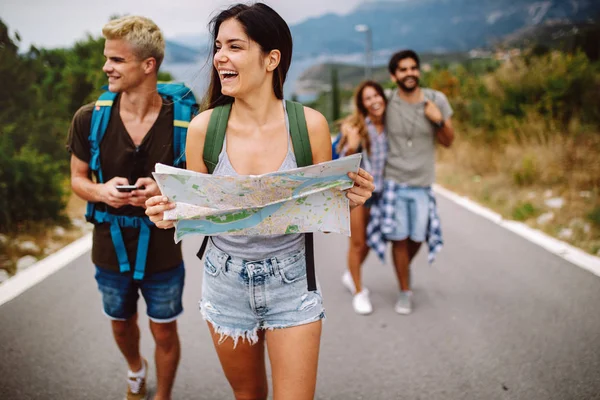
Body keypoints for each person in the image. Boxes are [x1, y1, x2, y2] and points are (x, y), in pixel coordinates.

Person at [145, 3, 374, 399]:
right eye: (218, 47)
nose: (220, 57)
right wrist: (168, 213)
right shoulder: (203, 129)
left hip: (292, 282)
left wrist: (352, 199)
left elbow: (323, 211)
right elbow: (195, 211)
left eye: (235, 46)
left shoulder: (310, 125)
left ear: (272, 59)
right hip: (224, 282)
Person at [67, 16, 193, 400]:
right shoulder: (89, 119)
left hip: (162, 247)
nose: (107, 67)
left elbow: (200, 186)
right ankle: (136, 368)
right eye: (108, 58)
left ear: (148, 65)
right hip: (108, 244)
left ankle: (163, 395)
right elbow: (78, 180)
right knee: (121, 323)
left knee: (164, 329)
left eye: (117, 60)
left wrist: (164, 188)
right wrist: (102, 192)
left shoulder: (185, 122)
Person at [372, 49, 454, 315]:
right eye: (403, 70)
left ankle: (403, 268)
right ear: (394, 76)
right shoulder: (388, 100)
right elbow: (368, 119)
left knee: (417, 238)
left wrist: (438, 120)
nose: (409, 73)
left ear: (418, 71)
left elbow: (449, 141)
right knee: (399, 239)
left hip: (422, 183)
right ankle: (404, 292)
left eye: (413, 68)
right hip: (394, 182)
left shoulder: (436, 100)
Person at [336, 81, 388, 315]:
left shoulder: (389, 125)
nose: (374, 101)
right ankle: (359, 292)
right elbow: (341, 161)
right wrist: (352, 146)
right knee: (357, 244)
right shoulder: (355, 126)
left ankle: (350, 274)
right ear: (362, 104)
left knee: (370, 242)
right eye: (368, 98)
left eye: (377, 95)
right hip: (359, 193)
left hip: (384, 193)